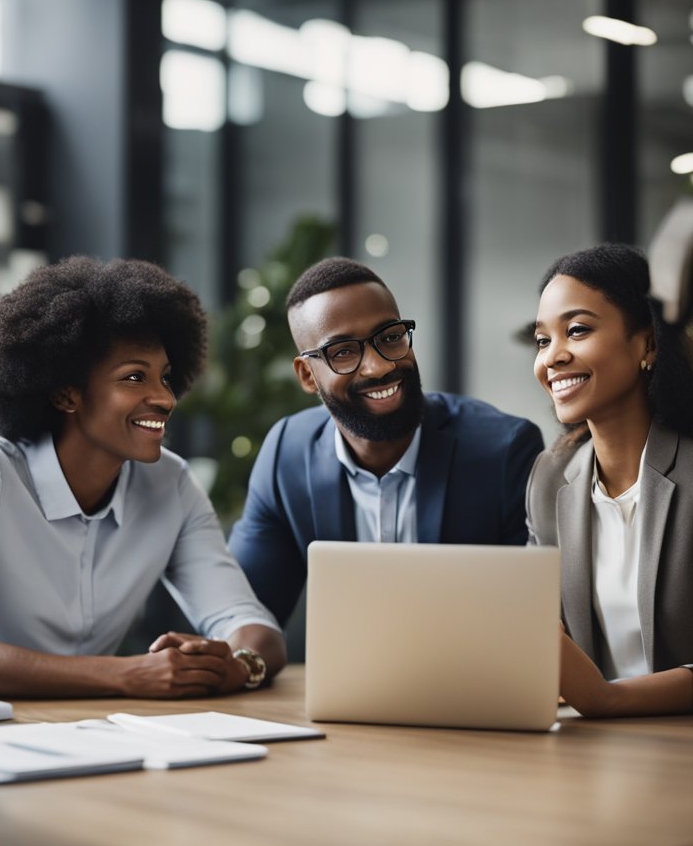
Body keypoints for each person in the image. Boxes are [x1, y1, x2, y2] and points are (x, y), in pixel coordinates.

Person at [0, 255, 286, 698]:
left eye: (166, 377)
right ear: (66, 394)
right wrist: (125, 675)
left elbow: (250, 624)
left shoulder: (170, 485)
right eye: (135, 377)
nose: (165, 399)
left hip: (92, 735)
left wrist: (235, 666)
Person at [229, 257, 544, 626]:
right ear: (307, 375)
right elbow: (246, 608)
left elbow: (530, 621)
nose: (378, 367)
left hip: (474, 681)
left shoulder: (504, 451)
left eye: (390, 337)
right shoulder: (288, 452)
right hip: (345, 684)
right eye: (343, 351)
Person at [527, 242, 693, 716]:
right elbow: (536, 631)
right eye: (543, 340)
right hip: (591, 753)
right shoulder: (550, 477)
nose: (553, 357)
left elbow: (595, 692)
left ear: (648, 344)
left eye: (576, 330)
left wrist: (607, 698)